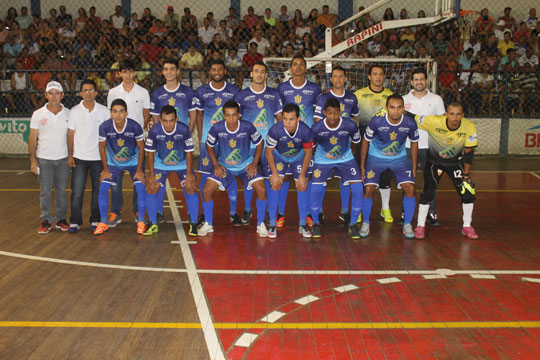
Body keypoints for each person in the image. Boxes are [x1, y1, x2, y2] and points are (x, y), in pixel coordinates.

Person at [198, 100, 268, 237]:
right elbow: (209, 145)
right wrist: (216, 165)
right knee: (206, 190)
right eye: (228, 115)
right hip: (226, 168)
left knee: (261, 189)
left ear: (239, 115)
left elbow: (260, 143)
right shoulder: (217, 128)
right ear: (223, 115)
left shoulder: (247, 127)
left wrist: (254, 163)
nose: (231, 119)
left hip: (245, 166)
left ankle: (261, 224)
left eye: (234, 115)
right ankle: (208, 223)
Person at [409, 103, 479, 240]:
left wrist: (466, 175)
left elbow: (469, 153)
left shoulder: (469, 126)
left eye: (458, 114)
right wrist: (391, 109)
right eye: (452, 114)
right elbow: (413, 117)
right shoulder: (433, 122)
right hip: (435, 162)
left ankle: (467, 226)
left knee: (468, 193)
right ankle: (420, 226)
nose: (455, 117)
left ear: (463, 115)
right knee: (428, 192)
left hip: (456, 163)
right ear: (446, 114)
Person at [359, 95, 419, 238]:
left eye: (399, 107)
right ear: (386, 109)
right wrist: (362, 166)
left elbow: (414, 143)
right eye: (392, 107)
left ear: (404, 109)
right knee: (368, 188)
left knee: (410, 187)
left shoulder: (410, 123)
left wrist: (414, 168)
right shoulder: (376, 122)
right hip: (376, 157)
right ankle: (365, 223)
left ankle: (408, 224)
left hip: (399, 158)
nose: (396, 111)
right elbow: (365, 142)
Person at [235, 61, 283, 225]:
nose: (259, 74)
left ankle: (270, 213)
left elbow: (280, 119)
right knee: (250, 177)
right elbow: (236, 120)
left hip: (269, 146)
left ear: (266, 75)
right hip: (249, 146)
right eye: (256, 71)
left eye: (262, 72)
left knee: (270, 178)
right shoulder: (242, 96)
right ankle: (248, 210)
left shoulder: (274, 94)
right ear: (251, 74)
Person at [194, 59, 242, 224]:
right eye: (213, 69)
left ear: (224, 71)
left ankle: (234, 213)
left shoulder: (234, 91)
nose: (216, 72)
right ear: (210, 72)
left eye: (219, 69)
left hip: (229, 141)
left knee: (231, 173)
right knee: (206, 175)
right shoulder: (201, 91)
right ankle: (204, 213)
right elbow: (199, 115)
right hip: (209, 141)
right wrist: (202, 138)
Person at [276, 55, 321, 227]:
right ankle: (280, 213)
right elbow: (280, 115)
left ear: (306, 68)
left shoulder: (314, 89)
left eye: (301, 64)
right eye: (295, 64)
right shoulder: (282, 88)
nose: (298, 67)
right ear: (290, 68)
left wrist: (314, 137)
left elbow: (318, 116)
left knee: (306, 176)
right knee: (285, 177)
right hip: (287, 140)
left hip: (307, 139)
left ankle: (308, 213)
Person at [106, 59, 151, 227]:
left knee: (138, 177)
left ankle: (137, 211)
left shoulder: (143, 92)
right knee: (115, 181)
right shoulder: (113, 92)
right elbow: (112, 115)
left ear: (134, 73)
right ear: (120, 74)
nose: (127, 75)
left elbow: (146, 114)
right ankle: (115, 213)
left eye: (130, 71)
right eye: (124, 71)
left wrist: (137, 132)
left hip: (137, 142)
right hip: (117, 143)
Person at [310, 98, 363, 239]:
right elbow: (312, 146)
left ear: (340, 112)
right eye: (329, 113)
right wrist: (323, 155)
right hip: (322, 158)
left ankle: (353, 224)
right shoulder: (316, 128)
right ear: (323, 113)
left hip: (345, 158)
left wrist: (346, 153)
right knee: (315, 189)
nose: (332, 117)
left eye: (335, 113)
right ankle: (315, 223)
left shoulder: (350, 125)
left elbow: (356, 142)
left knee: (358, 189)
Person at [144, 105, 199, 236]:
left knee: (190, 185)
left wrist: (190, 173)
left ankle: (194, 223)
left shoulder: (184, 129)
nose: (168, 124)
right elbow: (150, 154)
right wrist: (151, 175)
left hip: (182, 164)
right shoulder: (155, 130)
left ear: (176, 119)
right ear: (160, 120)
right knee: (152, 186)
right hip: (161, 164)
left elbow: (189, 153)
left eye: (171, 120)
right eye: (165, 121)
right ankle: (153, 223)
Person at [314, 66, 360, 224]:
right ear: (331, 79)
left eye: (341, 76)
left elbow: (356, 119)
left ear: (346, 78)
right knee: (321, 181)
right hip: (325, 147)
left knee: (345, 180)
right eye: (335, 76)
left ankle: (345, 212)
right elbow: (317, 123)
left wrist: (348, 144)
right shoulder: (322, 98)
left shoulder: (352, 98)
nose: (339, 79)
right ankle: (319, 211)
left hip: (344, 147)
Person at [94, 99, 146, 235]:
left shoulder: (135, 126)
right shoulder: (105, 127)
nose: (118, 115)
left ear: (126, 113)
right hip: (113, 163)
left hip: (133, 162)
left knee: (140, 187)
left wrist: (140, 170)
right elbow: (101, 147)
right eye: (115, 112)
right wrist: (105, 169)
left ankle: (140, 221)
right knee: (103, 187)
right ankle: (103, 222)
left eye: (121, 111)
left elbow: (141, 147)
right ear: (110, 113)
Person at [402, 68, 445, 226]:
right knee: (407, 181)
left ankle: (431, 213)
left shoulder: (436, 100)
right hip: (407, 146)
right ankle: (405, 212)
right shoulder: (403, 99)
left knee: (430, 182)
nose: (419, 82)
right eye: (416, 79)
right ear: (412, 82)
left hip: (430, 147)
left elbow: (442, 124)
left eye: (422, 79)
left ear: (426, 81)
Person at [67, 79, 110, 233]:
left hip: (98, 159)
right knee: (77, 192)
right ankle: (75, 222)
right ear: (80, 93)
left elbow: (108, 136)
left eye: (91, 90)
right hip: (79, 158)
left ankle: (95, 220)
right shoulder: (74, 111)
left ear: (96, 92)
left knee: (97, 191)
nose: (88, 93)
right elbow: (71, 134)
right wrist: (70, 155)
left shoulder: (105, 111)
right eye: (85, 90)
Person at [265, 103, 313, 238]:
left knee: (302, 185)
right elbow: (268, 152)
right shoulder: (275, 130)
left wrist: (302, 175)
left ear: (298, 119)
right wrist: (274, 174)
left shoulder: (306, 131)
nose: (287, 122)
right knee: (275, 183)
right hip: (279, 156)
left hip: (299, 157)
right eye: (285, 118)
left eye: (291, 119)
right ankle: (273, 223)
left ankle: (302, 224)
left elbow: (308, 153)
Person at [354, 65, 394, 223]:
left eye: (381, 74)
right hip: (364, 143)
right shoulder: (359, 95)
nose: (378, 77)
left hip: (384, 145)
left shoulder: (390, 95)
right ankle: (357, 210)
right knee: (360, 177)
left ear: (384, 77)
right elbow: (353, 117)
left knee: (385, 178)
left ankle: (385, 208)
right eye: (375, 74)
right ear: (369, 77)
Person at [28, 81, 70, 234]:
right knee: (45, 191)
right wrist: (33, 160)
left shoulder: (69, 113)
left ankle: (61, 219)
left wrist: (71, 157)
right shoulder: (38, 114)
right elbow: (32, 139)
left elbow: (72, 137)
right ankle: (46, 219)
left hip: (63, 159)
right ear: (45, 95)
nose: (54, 96)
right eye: (50, 93)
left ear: (62, 95)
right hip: (43, 159)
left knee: (61, 191)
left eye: (57, 93)